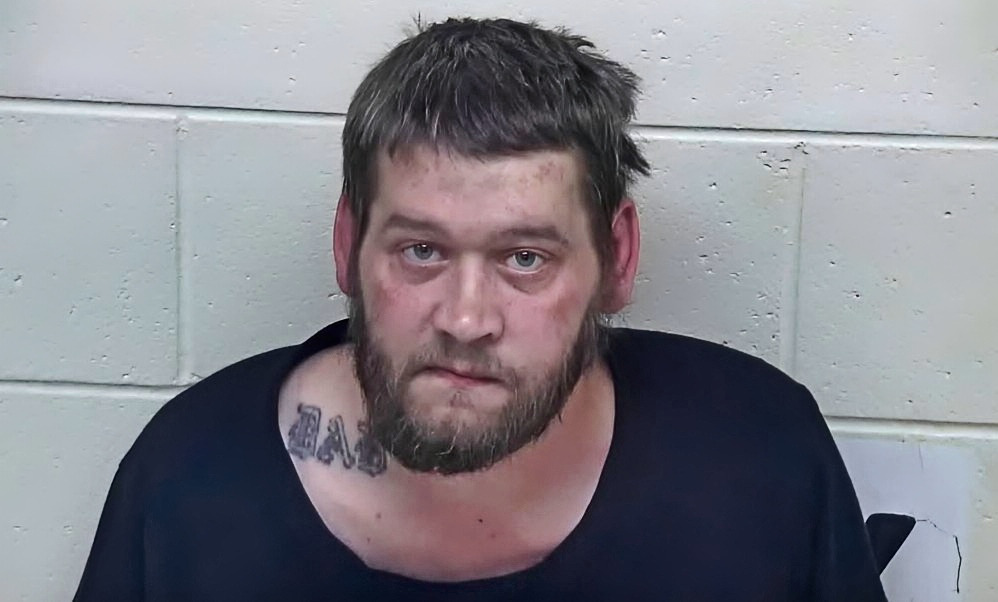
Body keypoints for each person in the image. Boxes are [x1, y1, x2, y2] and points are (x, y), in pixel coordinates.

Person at [74, 17, 887, 601]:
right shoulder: (189, 482)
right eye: (421, 251)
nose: (466, 321)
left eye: (525, 258)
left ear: (617, 258)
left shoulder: (759, 462)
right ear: (348, 244)